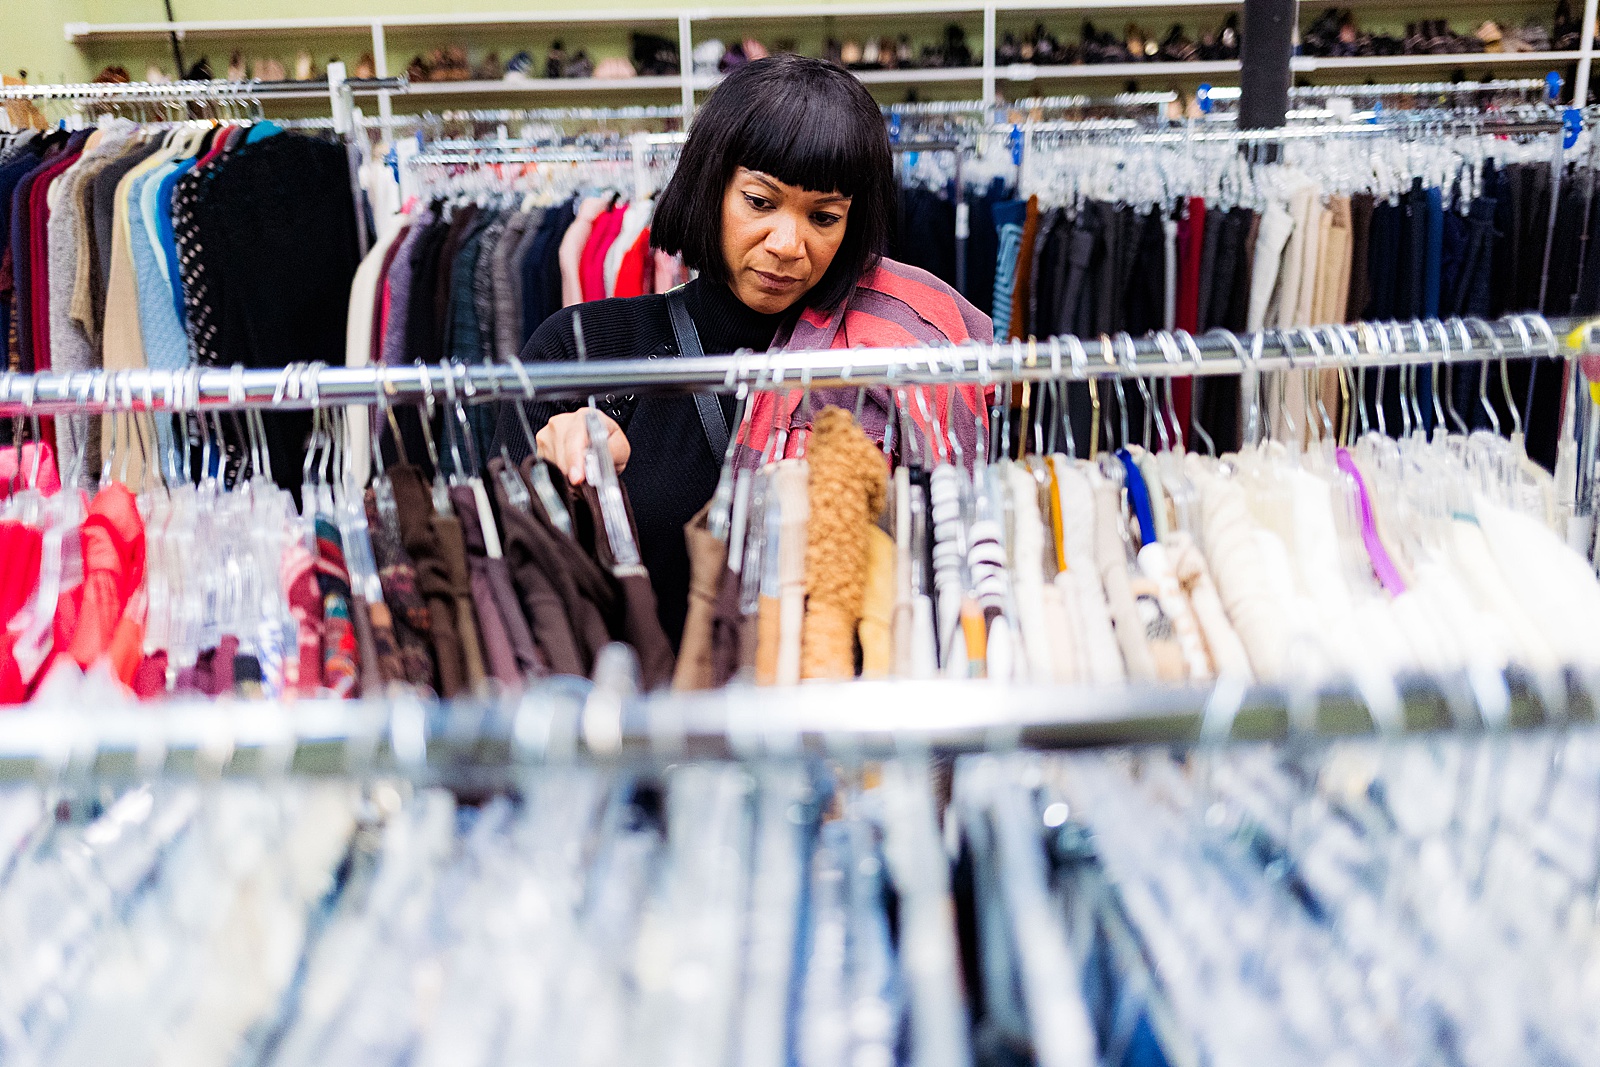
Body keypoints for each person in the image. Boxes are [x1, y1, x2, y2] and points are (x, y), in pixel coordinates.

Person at [494, 53, 991, 648]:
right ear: (712, 186)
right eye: (760, 202)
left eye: (824, 216)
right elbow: (510, 586)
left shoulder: (894, 356)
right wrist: (562, 480)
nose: (787, 244)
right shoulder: (582, 351)